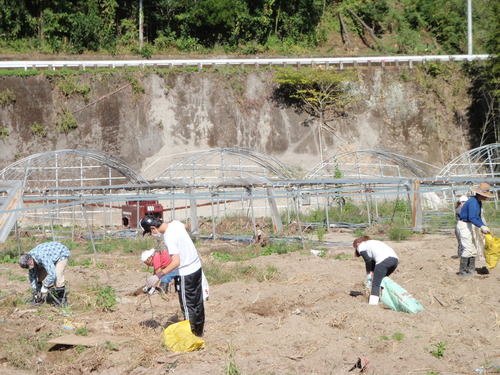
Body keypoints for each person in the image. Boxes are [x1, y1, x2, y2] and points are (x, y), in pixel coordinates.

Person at [140, 215, 205, 337]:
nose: (152, 235)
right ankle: (199, 332)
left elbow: (176, 262)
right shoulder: (175, 223)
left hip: (186, 273)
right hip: (196, 267)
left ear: (153, 228)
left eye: (150, 232)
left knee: (188, 306)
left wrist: (158, 275)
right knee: (198, 302)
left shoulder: (169, 237)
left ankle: (191, 336)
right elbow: (186, 226)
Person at [457, 182, 494, 276]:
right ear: (481, 194)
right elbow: (472, 218)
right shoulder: (473, 202)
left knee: (473, 248)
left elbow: (477, 217)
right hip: (464, 225)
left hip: (470, 224)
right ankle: (463, 271)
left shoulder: (477, 202)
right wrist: (481, 226)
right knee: (468, 248)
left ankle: (471, 269)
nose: (486, 197)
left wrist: (483, 225)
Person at [18, 241, 70, 305]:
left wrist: (45, 286)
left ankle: (61, 300)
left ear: (31, 262)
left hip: (61, 254)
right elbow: (32, 276)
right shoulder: (28, 258)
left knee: (57, 277)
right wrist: (35, 291)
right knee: (38, 277)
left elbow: (52, 273)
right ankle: (38, 298)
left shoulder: (41, 256)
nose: (27, 269)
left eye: (27, 267)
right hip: (49, 257)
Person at [353, 236, 399, 305]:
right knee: (382, 281)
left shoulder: (361, 245)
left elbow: (367, 260)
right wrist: (372, 271)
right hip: (394, 260)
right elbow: (374, 258)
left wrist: (368, 273)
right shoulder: (373, 243)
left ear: (357, 244)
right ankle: (386, 301)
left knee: (376, 283)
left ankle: (373, 304)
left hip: (383, 261)